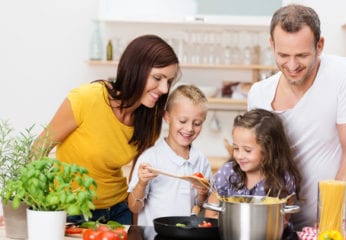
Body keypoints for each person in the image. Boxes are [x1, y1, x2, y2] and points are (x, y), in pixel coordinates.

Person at [33, 34, 180, 225]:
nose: (164, 89)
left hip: (119, 210)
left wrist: (134, 225)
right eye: (158, 78)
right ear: (135, 70)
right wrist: (35, 208)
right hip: (71, 211)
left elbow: (136, 181)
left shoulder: (148, 118)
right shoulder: (87, 98)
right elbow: (38, 149)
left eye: (169, 81)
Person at [247, 4, 346, 230]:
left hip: (332, 223)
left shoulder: (345, 75)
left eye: (302, 55)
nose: (292, 65)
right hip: (276, 227)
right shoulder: (259, 94)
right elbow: (257, 165)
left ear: (320, 45)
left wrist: (326, 224)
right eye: (283, 55)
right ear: (272, 45)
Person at [127, 84, 212, 226]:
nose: (189, 128)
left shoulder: (201, 161)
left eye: (197, 123)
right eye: (182, 121)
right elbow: (134, 207)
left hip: (187, 235)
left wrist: (202, 195)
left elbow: (202, 207)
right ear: (167, 117)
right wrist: (142, 183)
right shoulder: (150, 158)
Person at [204, 109, 301, 225]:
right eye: (236, 148)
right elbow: (211, 215)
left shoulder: (283, 179)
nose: (239, 156)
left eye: (247, 150)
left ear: (269, 150)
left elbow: (282, 223)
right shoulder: (227, 173)